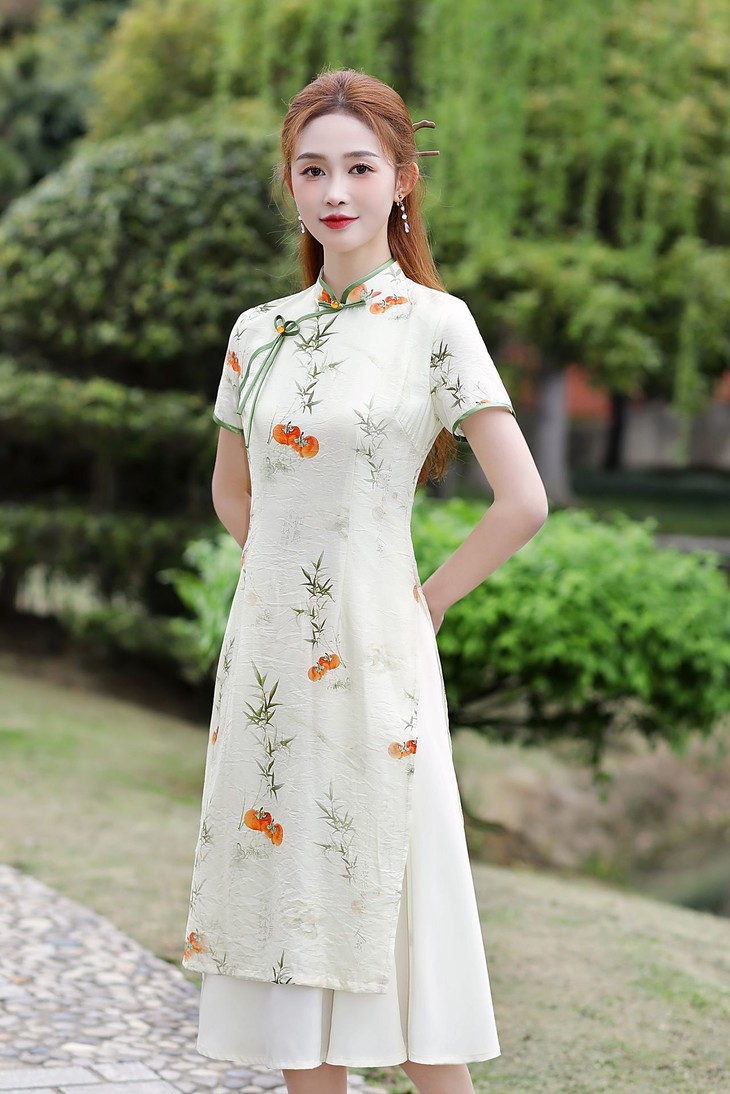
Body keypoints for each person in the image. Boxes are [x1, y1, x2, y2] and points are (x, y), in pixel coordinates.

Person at [181, 67, 548, 1094]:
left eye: (358, 167)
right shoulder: (258, 331)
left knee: (396, 910)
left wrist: (422, 602)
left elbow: (522, 501)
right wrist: (284, 590)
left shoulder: (436, 323)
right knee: (290, 927)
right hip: (269, 666)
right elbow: (232, 490)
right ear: (290, 184)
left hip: (381, 658)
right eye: (312, 169)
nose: (335, 190)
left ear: (401, 181)